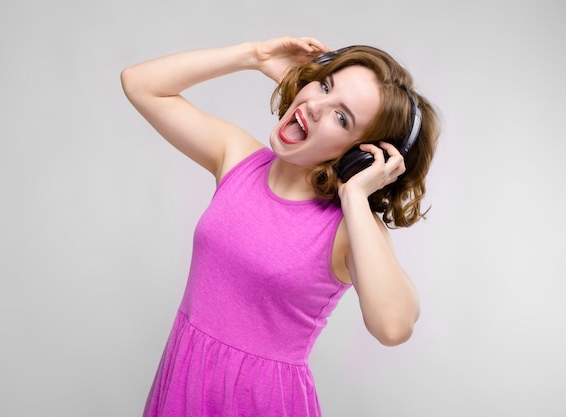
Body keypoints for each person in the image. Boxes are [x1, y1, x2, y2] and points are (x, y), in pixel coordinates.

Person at [121, 36, 439, 417]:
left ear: (361, 154)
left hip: (261, 402)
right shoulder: (237, 157)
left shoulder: (348, 228)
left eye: (342, 117)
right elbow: (139, 84)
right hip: (182, 383)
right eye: (324, 85)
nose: (315, 106)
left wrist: (355, 196)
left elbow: (394, 326)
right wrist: (252, 56)